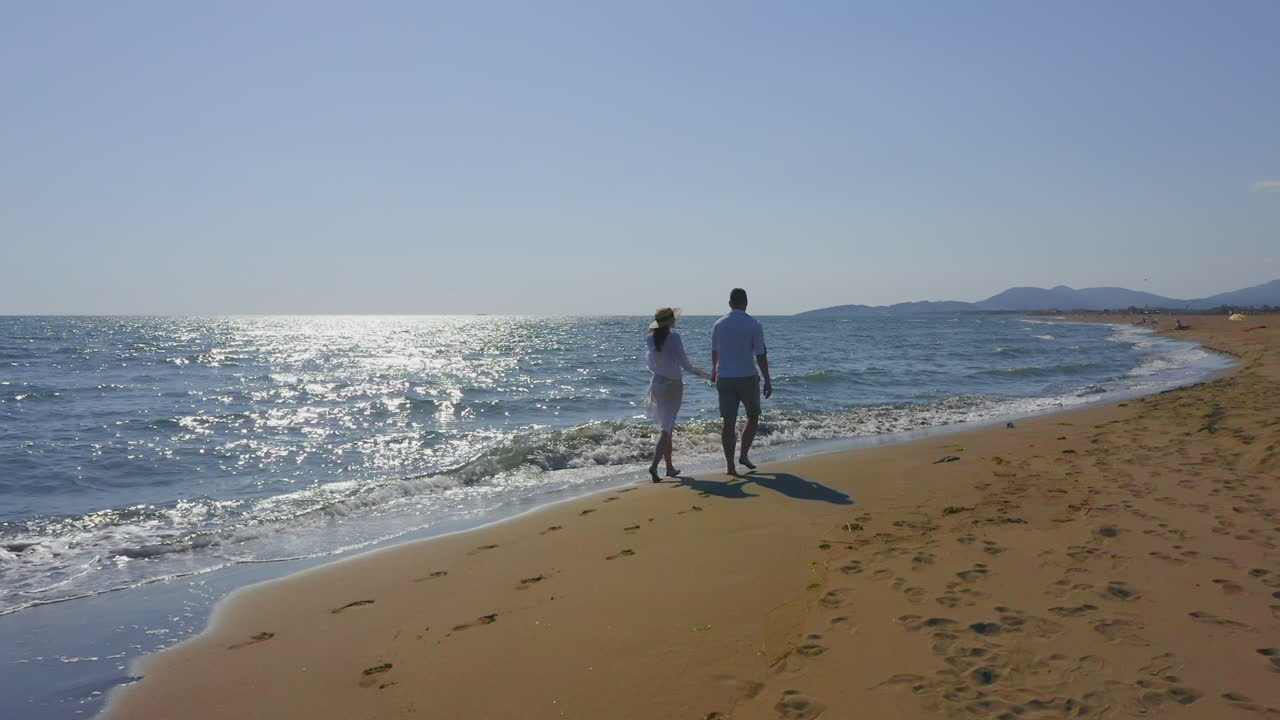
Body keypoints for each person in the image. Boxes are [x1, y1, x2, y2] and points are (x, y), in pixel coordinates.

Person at [644, 307, 711, 483]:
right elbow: (686, 366)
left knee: (667, 426)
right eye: (674, 318)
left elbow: (651, 364)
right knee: (667, 428)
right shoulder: (674, 338)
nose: (676, 320)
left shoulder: (650, 338)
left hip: (657, 384)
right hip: (672, 385)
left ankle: (669, 467)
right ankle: (654, 466)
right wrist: (708, 375)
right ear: (669, 321)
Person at [710, 288, 772, 475]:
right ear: (746, 303)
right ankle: (743, 455)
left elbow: (715, 353)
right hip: (747, 377)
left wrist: (714, 372)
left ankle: (730, 467)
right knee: (752, 416)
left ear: (730, 303)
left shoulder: (719, 324)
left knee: (728, 423)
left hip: (725, 378)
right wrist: (768, 380)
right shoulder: (754, 324)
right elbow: (760, 355)